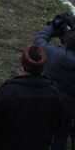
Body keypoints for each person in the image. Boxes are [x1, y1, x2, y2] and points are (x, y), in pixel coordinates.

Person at [0, 45, 64, 149]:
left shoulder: (7, 92)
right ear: (43, 68)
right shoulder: (55, 93)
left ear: (23, 66)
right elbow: (58, 124)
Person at [34, 18, 75, 150]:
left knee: (37, 129)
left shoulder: (54, 53)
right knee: (61, 137)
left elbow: (39, 41)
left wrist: (52, 27)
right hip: (68, 107)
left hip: (46, 98)